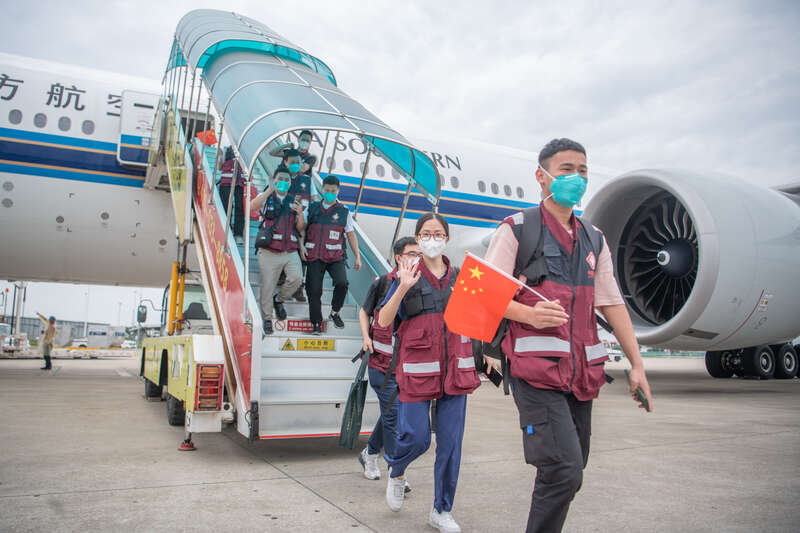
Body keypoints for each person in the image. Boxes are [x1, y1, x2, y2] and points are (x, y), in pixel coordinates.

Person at [484, 138, 654, 533]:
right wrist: (528, 313)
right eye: (566, 170)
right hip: (535, 373)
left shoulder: (595, 238)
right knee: (563, 470)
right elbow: (483, 295)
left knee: (569, 470)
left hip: (582, 377)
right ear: (541, 176)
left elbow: (612, 304)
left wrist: (637, 365)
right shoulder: (517, 229)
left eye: (583, 171)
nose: (576, 178)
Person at [377, 213, 481, 533]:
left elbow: (478, 319)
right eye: (425, 233)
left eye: (437, 233)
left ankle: (441, 509)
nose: (432, 238)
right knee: (417, 438)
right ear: (418, 238)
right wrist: (402, 288)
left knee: (450, 445)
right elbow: (383, 321)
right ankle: (397, 470)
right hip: (417, 372)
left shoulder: (464, 276)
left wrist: (486, 356)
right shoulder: (407, 274)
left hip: (455, 373)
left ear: (446, 239)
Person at [357, 236, 420, 486]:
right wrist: (366, 338)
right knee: (394, 417)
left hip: (406, 368)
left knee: (390, 416)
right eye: (412, 254)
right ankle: (397, 472)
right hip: (380, 366)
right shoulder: (382, 283)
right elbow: (364, 311)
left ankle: (369, 453)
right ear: (398, 257)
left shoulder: (421, 285)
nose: (417, 258)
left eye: (419, 255)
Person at [249, 166, 306, 335]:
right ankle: (267, 318)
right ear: (274, 180)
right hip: (269, 250)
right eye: (280, 179)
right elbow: (252, 206)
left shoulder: (294, 201)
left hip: (289, 250)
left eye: (287, 180)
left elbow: (300, 228)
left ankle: (279, 299)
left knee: (297, 278)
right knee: (267, 286)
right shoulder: (267, 197)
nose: (283, 182)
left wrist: (300, 214)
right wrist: (269, 190)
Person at [304, 175, 361, 335]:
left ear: (338, 191)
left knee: (342, 283)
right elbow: (302, 228)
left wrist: (357, 256)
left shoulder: (344, 211)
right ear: (322, 189)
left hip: (336, 256)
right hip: (315, 256)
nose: (330, 193)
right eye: (327, 190)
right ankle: (316, 323)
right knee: (314, 290)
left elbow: (351, 234)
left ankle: (335, 312)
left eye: (333, 191)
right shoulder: (312, 208)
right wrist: (301, 247)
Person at [218, 147, 246, 245]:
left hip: (239, 183)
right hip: (226, 182)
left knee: (240, 207)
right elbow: (219, 167)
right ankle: (227, 230)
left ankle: (238, 234)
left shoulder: (244, 151)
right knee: (226, 206)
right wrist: (220, 156)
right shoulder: (226, 150)